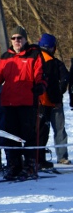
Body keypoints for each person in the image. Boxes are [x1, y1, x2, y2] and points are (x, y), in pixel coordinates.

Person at [0, 26, 47, 180]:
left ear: (25, 39)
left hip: (27, 101)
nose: (17, 41)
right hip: (9, 102)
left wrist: (40, 85)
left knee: (28, 135)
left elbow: (40, 74)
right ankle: (14, 165)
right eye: (14, 38)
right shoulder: (5, 57)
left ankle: (30, 165)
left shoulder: (34, 54)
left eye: (20, 38)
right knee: (11, 136)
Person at [35, 33, 70, 167]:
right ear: (52, 47)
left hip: (41, 102)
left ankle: (37, 157)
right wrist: (60, 91)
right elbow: (65, 78)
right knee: (58, 129)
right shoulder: (55, 63)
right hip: (52, 103)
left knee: (40, 131)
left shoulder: (35, 60)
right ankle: (61, 157)